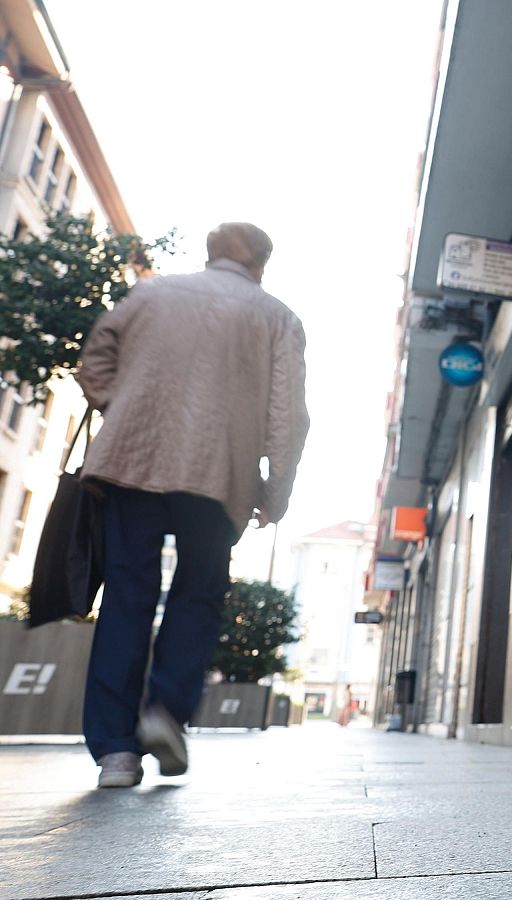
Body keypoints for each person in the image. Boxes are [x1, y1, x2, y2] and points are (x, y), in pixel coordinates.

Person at [75, 222, 309, 788]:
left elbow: (94, 362)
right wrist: (275, 492)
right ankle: (165, 714)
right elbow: (286, 416)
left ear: (210, 255)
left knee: (128, 594)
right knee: (199, 594)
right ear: (261, 264)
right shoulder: (277, 317)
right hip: (217, 472)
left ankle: (115, 753)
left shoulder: (150, 293)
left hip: (135, 459)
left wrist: (121, 404)